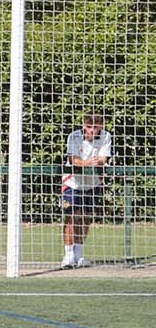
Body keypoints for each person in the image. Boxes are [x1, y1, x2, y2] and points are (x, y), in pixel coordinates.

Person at [61, 111, 111, 268]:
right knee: (71, 218)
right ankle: (68, 256)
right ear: (84, 125)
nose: (91, 130)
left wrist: (99, 161)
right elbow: (73, 159)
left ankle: (79, 255)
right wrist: (87, 163)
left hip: (93, 184)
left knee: (85, 218)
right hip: (72, 183)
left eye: (95, 127)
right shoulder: (74, 136)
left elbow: (103, 158)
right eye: (89, 127)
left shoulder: (106, 136)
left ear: (100, 127)